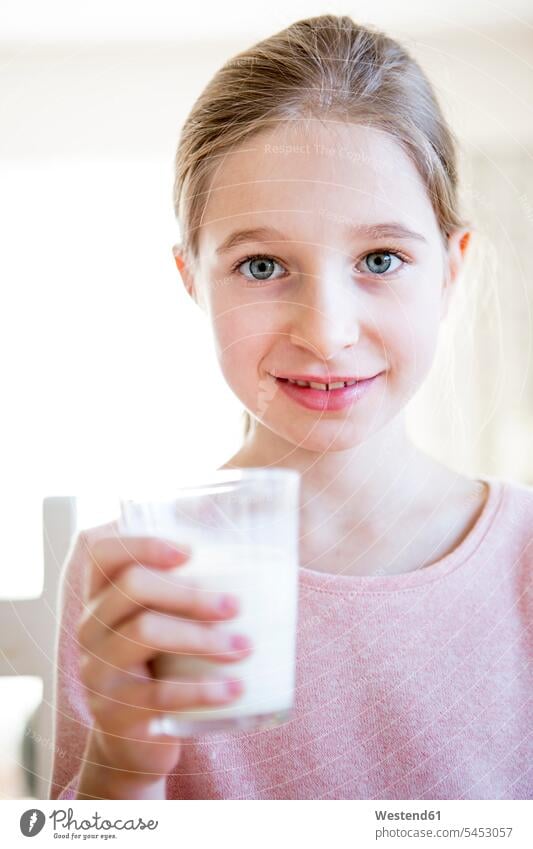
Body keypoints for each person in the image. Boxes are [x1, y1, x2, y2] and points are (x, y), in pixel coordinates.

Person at [48, 14, 532, 801]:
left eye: (380, 258)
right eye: (262, 263)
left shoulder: (523, 562)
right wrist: (120, 769)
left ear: (449, 270)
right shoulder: (134, 569)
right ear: (191, 279)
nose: (327, 332)